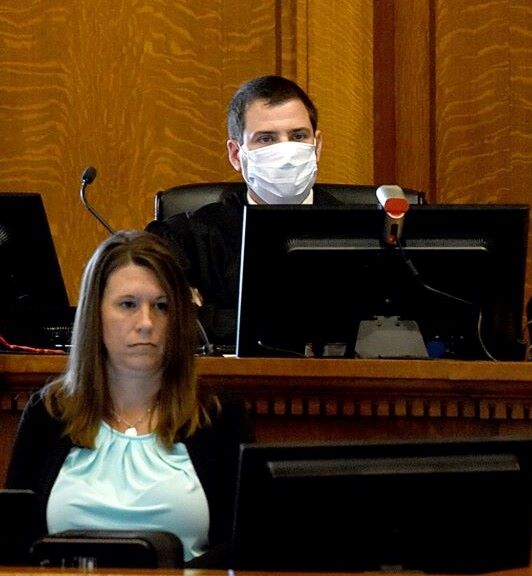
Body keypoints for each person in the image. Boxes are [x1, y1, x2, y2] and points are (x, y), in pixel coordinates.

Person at [4, 230, 254, 567]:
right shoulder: (49, 413)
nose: (147, 322)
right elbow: (15, 546)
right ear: (96, 314)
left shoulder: (217, 416)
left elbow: (246, 548)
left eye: (161, 306)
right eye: (128, 305)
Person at [145, 74, 324, 346]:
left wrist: (219, 317)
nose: (286, 152)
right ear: (236, 154)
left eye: (298, 136)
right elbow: (172, 323)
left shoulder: (366, 229)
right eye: (266, 139)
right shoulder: (186, 237)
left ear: (317, 146)